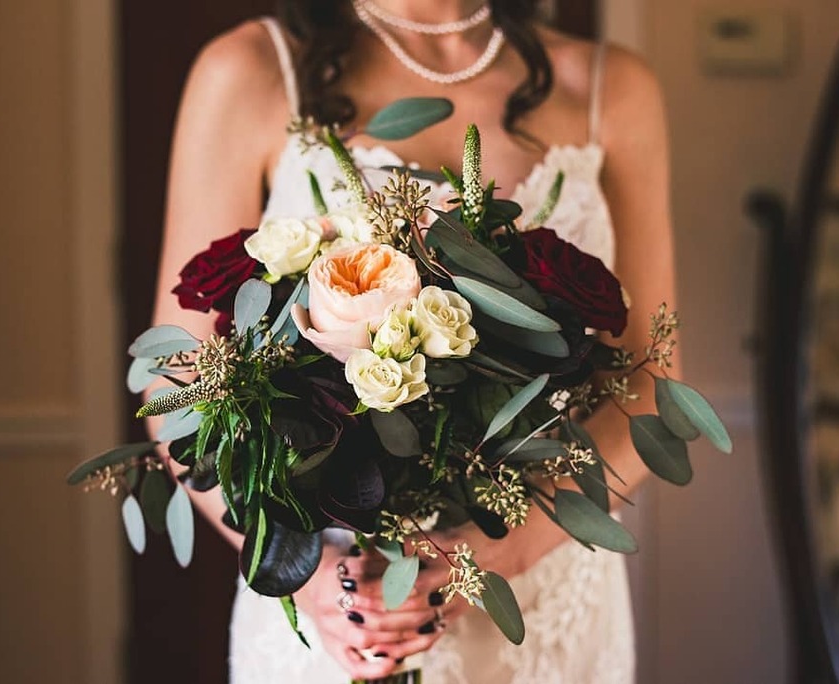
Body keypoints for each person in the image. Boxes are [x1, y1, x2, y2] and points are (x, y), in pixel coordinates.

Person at [149, 1, 677, 681]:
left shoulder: (611, 87)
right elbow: (174, 379)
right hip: (343, 616)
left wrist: (497, 553)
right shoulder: (248, 72)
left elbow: (654, 384)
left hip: (540, 601)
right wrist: (311, 580)